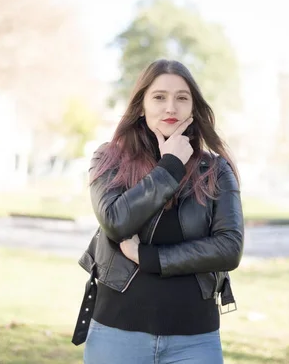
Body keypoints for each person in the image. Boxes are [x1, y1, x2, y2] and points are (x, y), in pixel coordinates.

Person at [74, 59, 244, 364]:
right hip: (117, 333)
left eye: (181, 98)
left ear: (193, 108)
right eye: (159, 97)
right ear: (141, 106)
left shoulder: (216, 170)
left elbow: (230, 248)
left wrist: (150, 258)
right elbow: (115, 222)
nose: (171, 108)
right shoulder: (109, 159)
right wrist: (169, 167)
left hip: (195, 340)